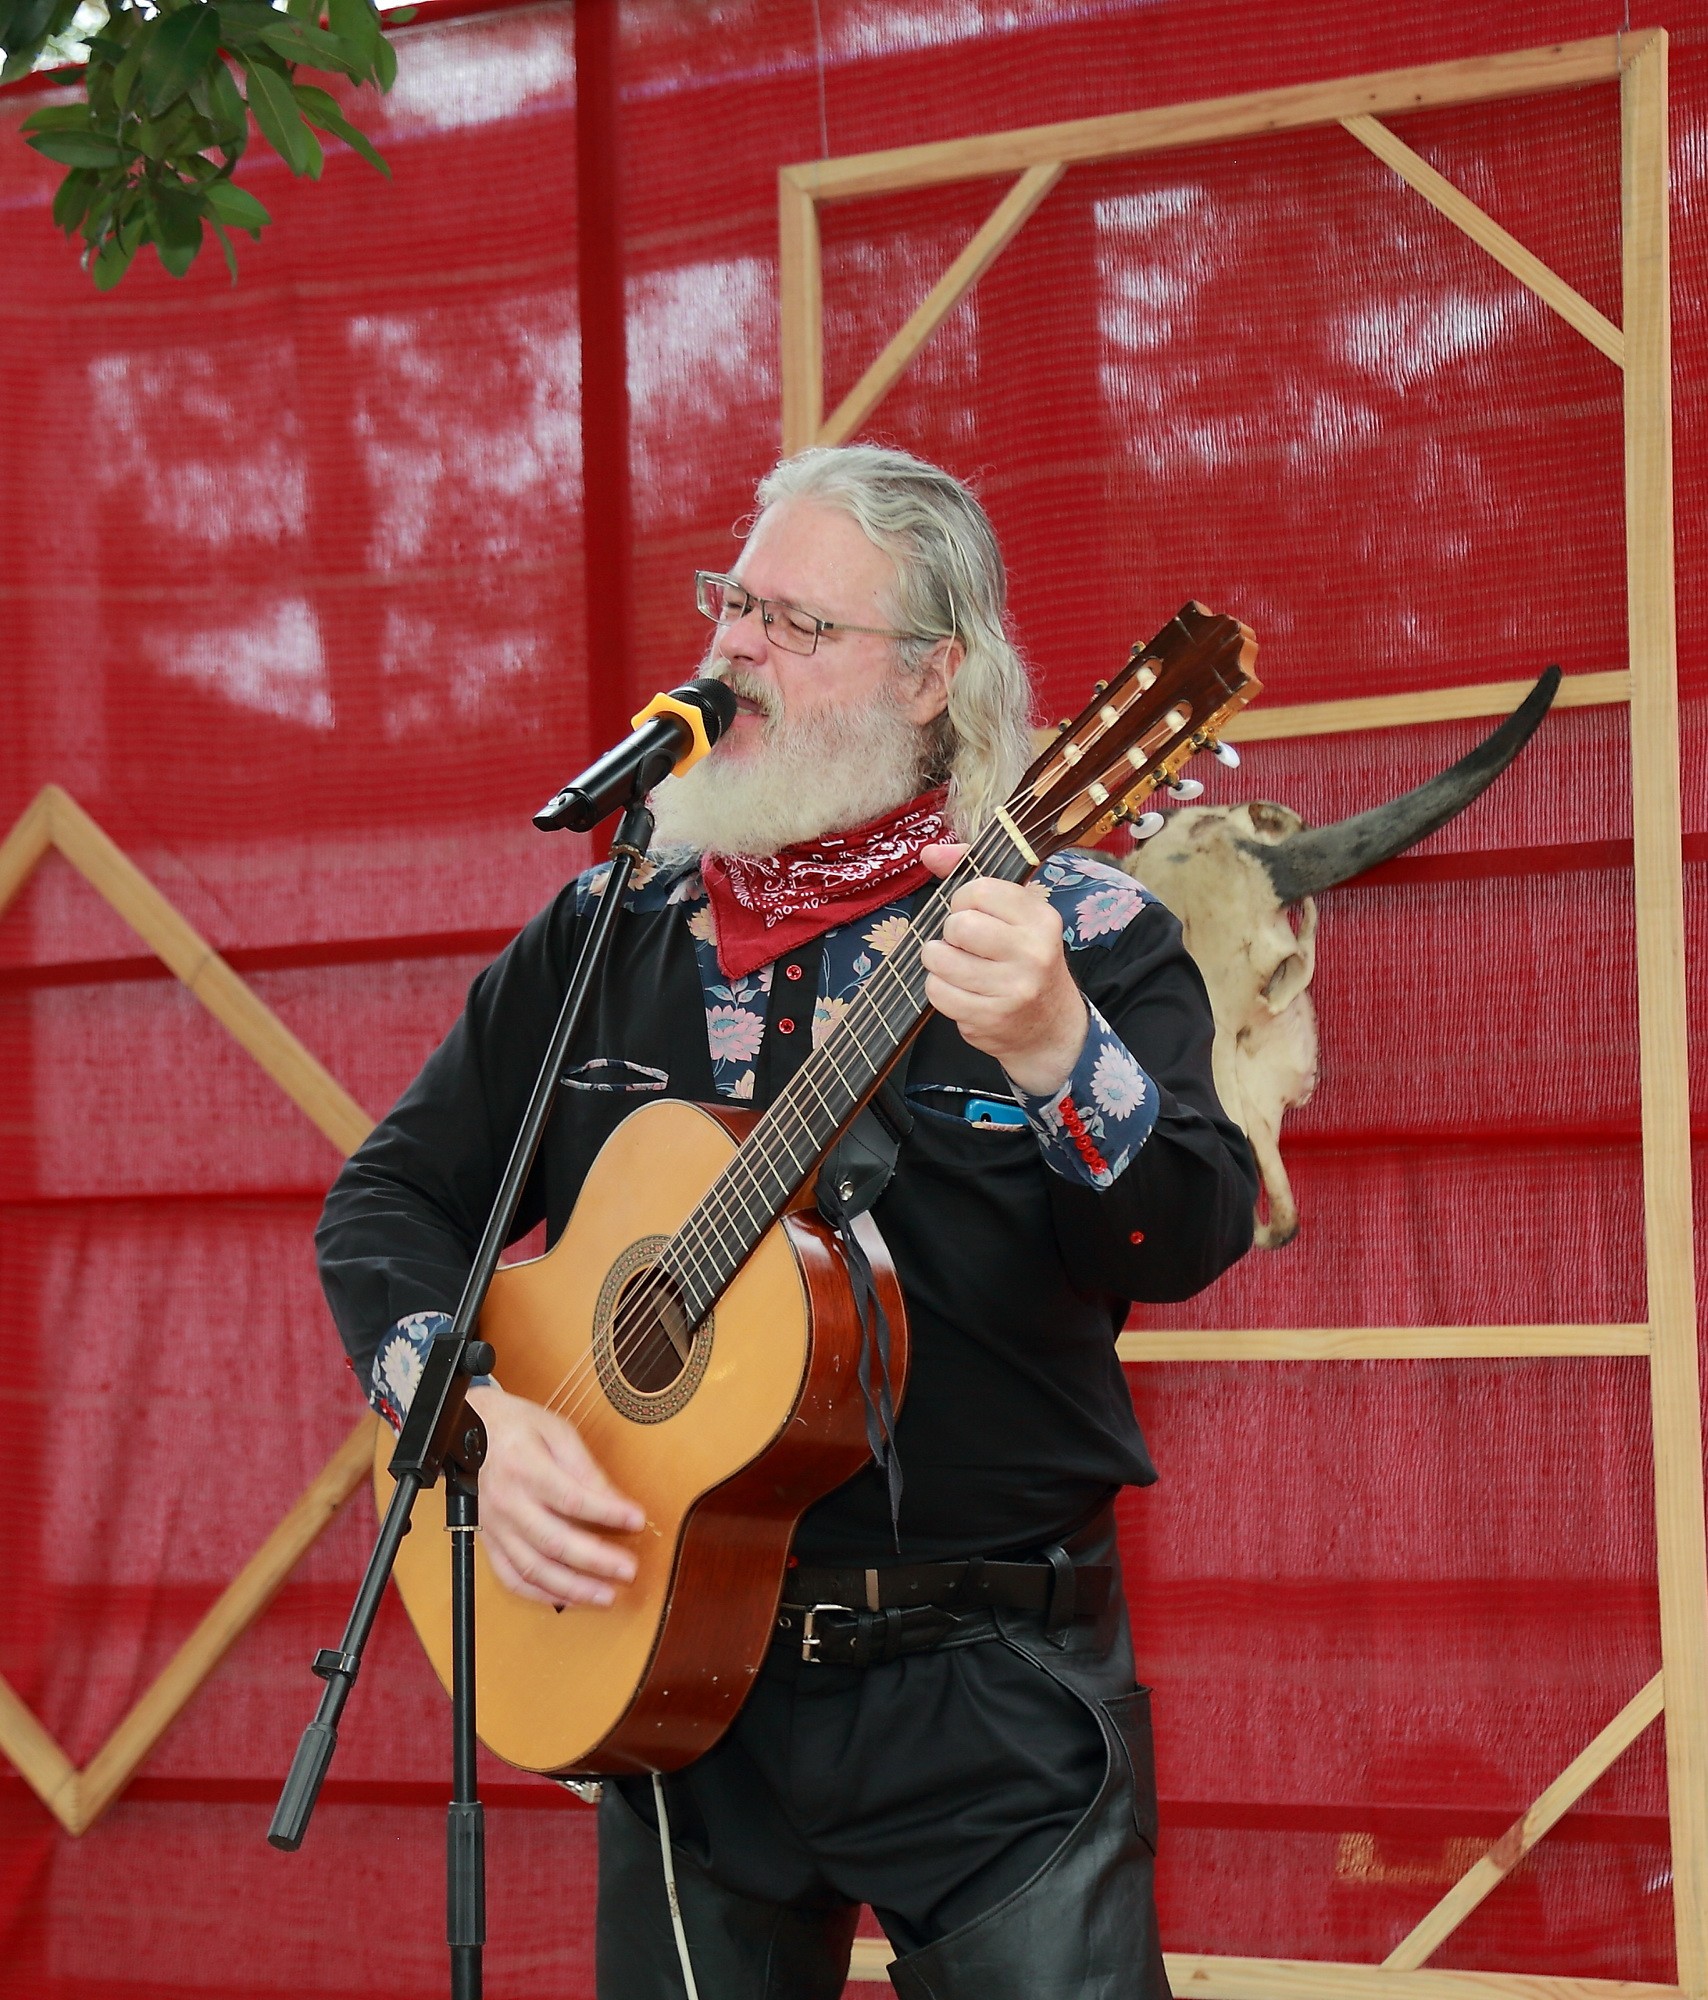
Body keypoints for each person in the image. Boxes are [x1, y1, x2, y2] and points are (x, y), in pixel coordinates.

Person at [316, 443, 1257, 1999]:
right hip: (681, 1679)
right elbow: (394, 1199)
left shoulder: (1075, 928)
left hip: (988, 1690)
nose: (734, 648)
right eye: (733, 605)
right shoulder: (613, 928)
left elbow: (1184, 1237)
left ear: (931, 680)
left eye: (797, 625)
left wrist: (1055, 1054)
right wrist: (470, 1408)